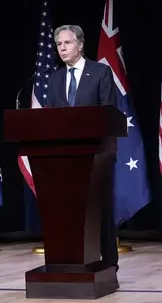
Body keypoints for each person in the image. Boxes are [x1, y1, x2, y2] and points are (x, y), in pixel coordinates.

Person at [46, 24, 119, 273]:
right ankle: (73, 261)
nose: (62, 48)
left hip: (97, 155)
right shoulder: (54, 79)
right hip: (65, 157)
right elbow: (50, 119)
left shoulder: (100, 73)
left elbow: (108, 113)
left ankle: (109, 262)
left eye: (67, 43)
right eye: (59, 44)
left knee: (101, 209)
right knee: (69, 211)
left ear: (80, 45)